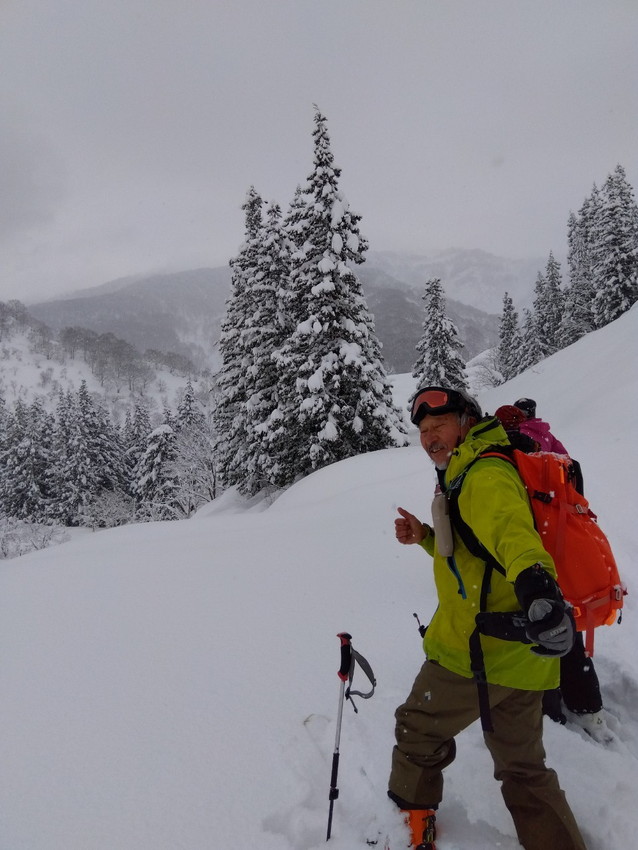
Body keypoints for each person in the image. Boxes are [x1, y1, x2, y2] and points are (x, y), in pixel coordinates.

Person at [389, 385, 587, 850]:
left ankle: (413, 829)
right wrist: (426, 537)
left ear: (467, 422)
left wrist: (539, 589)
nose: (430, 437)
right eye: (423, 429)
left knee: (417, 730)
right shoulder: (470, 467)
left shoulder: (484, 474)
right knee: (524, 769)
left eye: (439, 424)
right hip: (523, 657)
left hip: (476, 650)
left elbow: (512, 537)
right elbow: (477, 551)